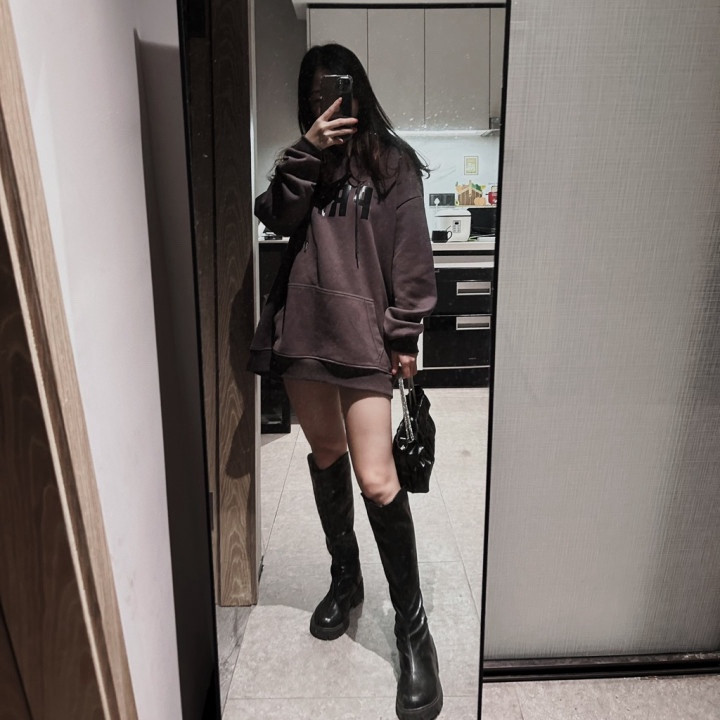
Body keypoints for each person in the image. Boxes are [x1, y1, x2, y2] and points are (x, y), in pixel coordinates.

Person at [248, 43, 442, 720]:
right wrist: (306, 149)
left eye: (335, 91)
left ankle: (415, 633)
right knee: (326, 454)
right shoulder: (302, 160)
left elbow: (412, 257)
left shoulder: (391, 163)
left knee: (378, 478)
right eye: (313, 96)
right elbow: (277, 216)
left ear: (356, 90)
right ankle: (345, 578)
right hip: (303, 332)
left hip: (361, 338)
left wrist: (404, 335)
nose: (326, 104)